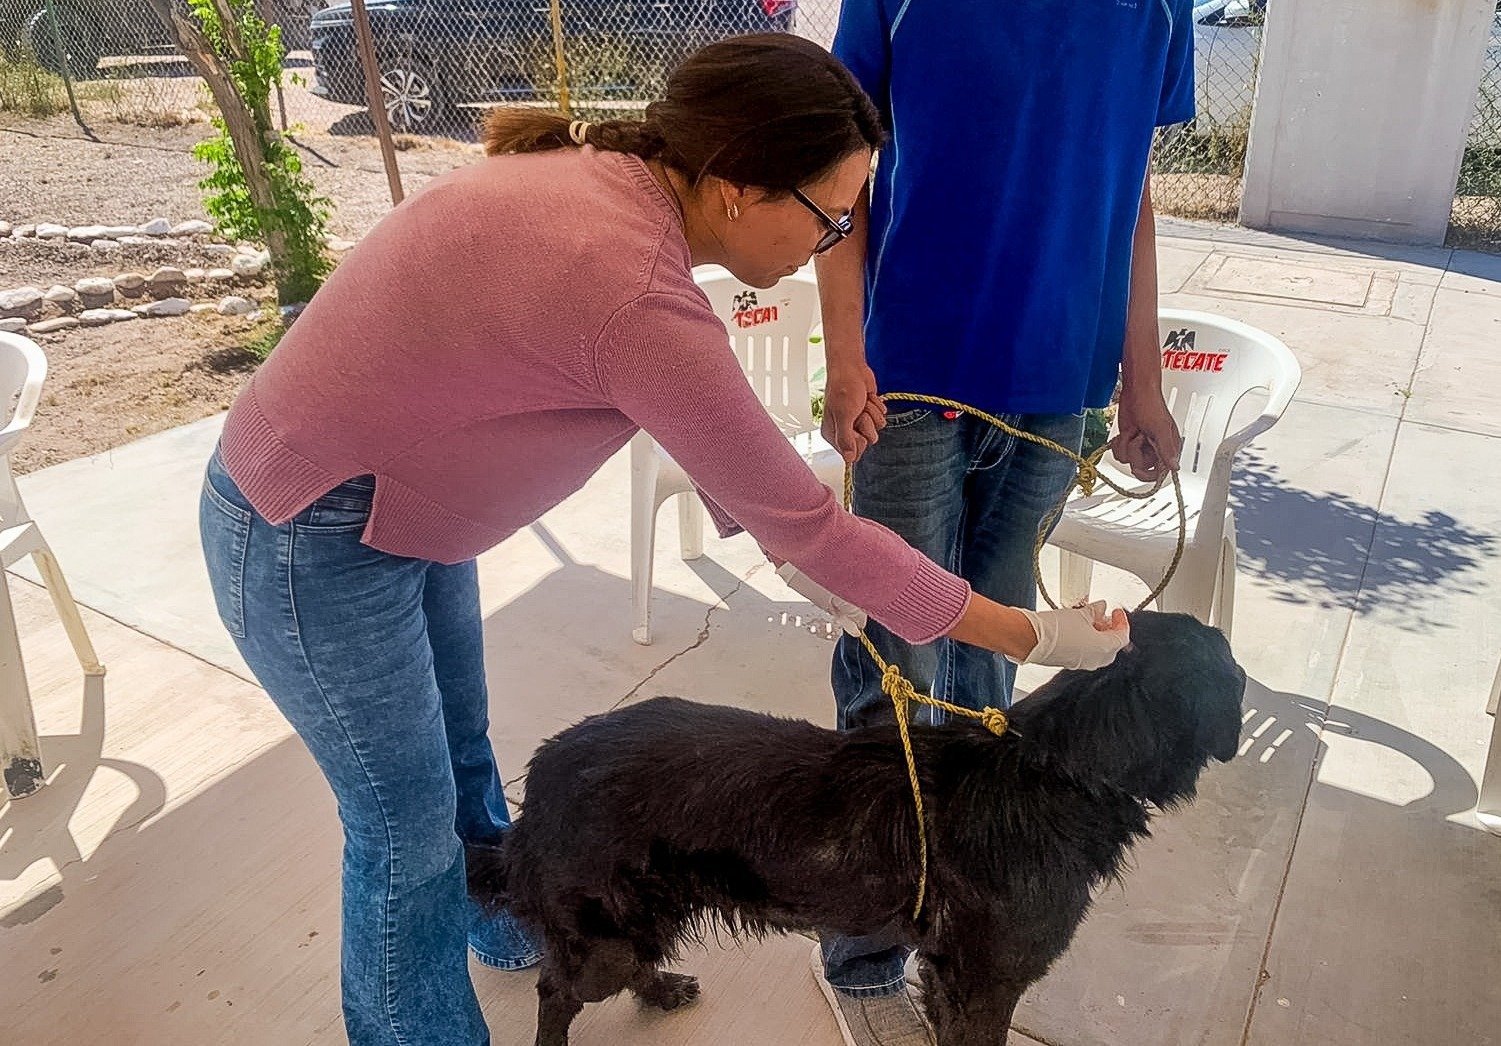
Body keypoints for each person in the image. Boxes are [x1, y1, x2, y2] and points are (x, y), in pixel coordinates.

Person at [198, 33, 1130, 1046]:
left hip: (407, 511)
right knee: (402, 831)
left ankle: (512, 915)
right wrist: (1033, 634)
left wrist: (794, 546)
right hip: (309, 524)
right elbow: (806, 521)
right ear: (735, 189)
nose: (835, 241)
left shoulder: (612, 181)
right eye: (829, 215)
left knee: (459, 757)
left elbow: (744, 477)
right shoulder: (634, 287)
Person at [810, 2, 1196, 1043]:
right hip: (907, 382)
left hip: (1060, 390)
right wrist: (844, 355)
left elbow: (1133, 196)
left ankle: (960, 918)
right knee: (897, 664)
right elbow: (836, 171)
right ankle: (862, 950)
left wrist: (1142, 380)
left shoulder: (1160, 10)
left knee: (990, 664)